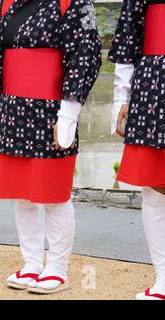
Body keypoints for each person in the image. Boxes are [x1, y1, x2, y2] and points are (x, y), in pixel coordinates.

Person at [0, 0, 101, 293]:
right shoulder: (7, 3)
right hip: (12, 109)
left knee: (54, 193)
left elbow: (86, 55)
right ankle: (32, 263)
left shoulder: (73, 3)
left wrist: (69, 113)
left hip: (52, 111)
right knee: (21, 194)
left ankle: (57, 267)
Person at [109, 0, 165, 300]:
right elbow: (129, 39)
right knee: (155, 186)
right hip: (154, 86)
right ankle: (164, 277)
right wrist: (122, 97)